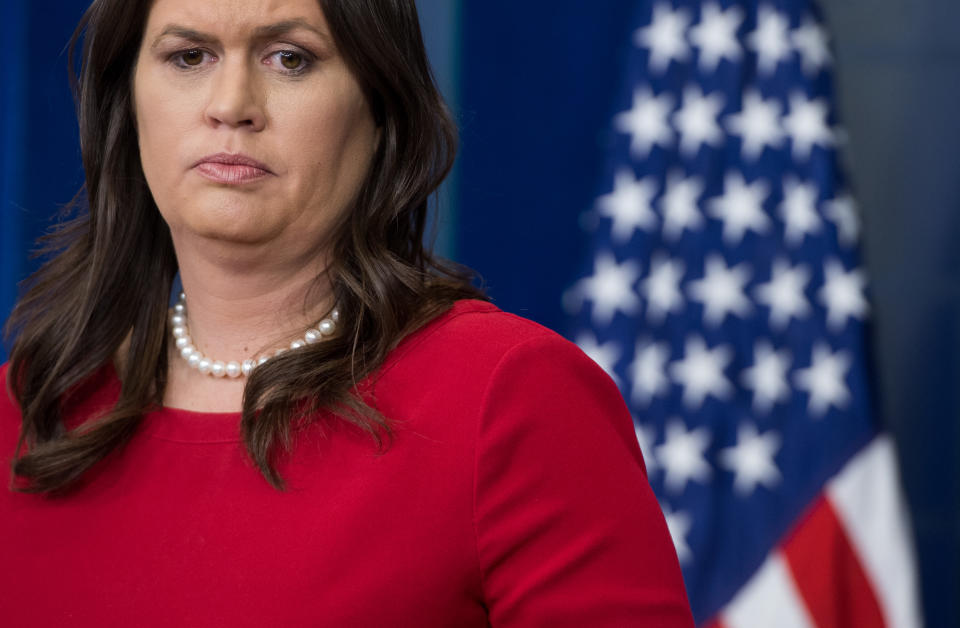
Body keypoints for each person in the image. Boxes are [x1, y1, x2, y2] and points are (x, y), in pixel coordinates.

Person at [0, 0, 694, 625]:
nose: (231, 102)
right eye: (189, 56)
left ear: (380, 107)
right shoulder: (24, 409)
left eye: (290, 58)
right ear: (128, 102)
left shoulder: (510, 398)